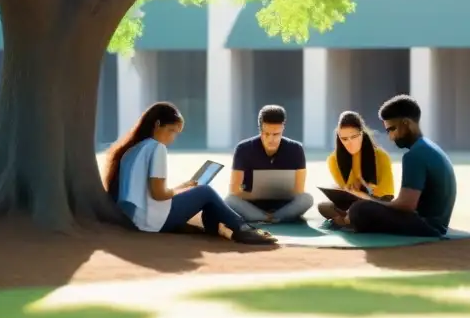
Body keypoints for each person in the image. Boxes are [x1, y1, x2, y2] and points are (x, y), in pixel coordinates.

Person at [102, 102, 276, 245]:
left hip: (137, 219)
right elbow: (158, 193)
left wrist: (182, 188)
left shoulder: (131, 150)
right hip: (153, 222)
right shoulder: (157, 148)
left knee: (201, 194)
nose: (172, 138)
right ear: (157, 124)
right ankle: (241, 228)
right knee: (205, 191)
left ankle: (218, 229)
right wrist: (180, 192)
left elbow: (148, 191)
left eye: (176, 134)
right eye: (171, 131)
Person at [337, 95, 457, 237]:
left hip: (427, 226)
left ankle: (348, 220)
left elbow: (406, 204)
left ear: (406, 123)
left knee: (359, 209)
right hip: (435, 223)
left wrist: (371, 202)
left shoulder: (414, 155)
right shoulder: (428, 147)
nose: (390, 137)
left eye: (392, 129)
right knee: (359, 207)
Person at [226, 104, 314, 223]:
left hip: (284, 205)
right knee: (230, 200)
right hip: (252, 205)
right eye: (266, 134)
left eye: (276, 134)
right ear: (260, 130)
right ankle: (273, 218)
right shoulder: (243, 148)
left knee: (307, 199)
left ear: (283, 128)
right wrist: (255, 195)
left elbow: (299, 190)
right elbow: (234, 190)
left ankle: (269, 217)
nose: (271, 139)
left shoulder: (296, 149)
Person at [318, 111, 395, 224]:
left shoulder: (381, 156)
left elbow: (387, 197)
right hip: (350, 204)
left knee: (358, 211)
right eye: (344, 139)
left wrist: (363, 195)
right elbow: (345, 192)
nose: (350, 143)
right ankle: (349, 221)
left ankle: (346, 221)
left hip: (376, 203)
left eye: (354, 137)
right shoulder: (333, 160)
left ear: (362, 134)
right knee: (323, 206)